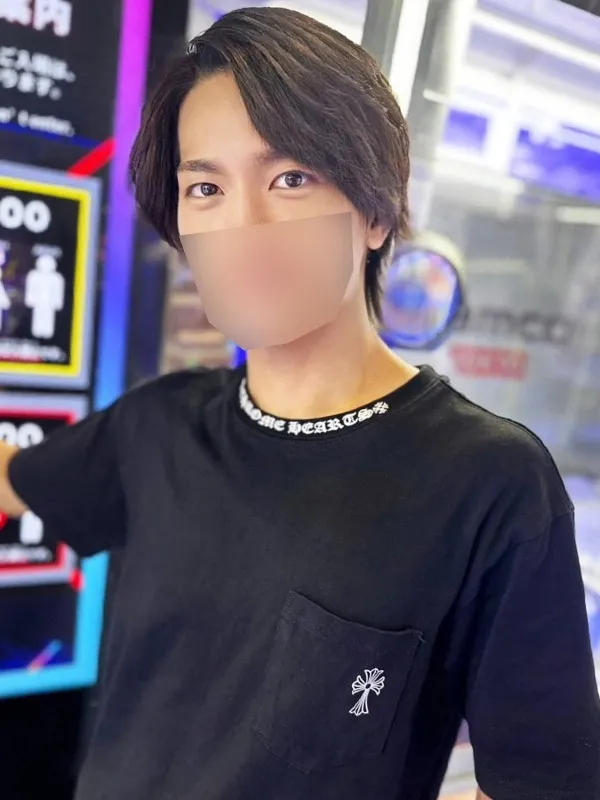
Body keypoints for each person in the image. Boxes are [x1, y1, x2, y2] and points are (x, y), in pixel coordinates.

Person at [0, 7, 598, 800]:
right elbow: (15, 478)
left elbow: (542, 782)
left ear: (376, 212)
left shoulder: (489, 483)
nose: (243, 226)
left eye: (290, 179)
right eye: (206, 187)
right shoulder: (157, 425)